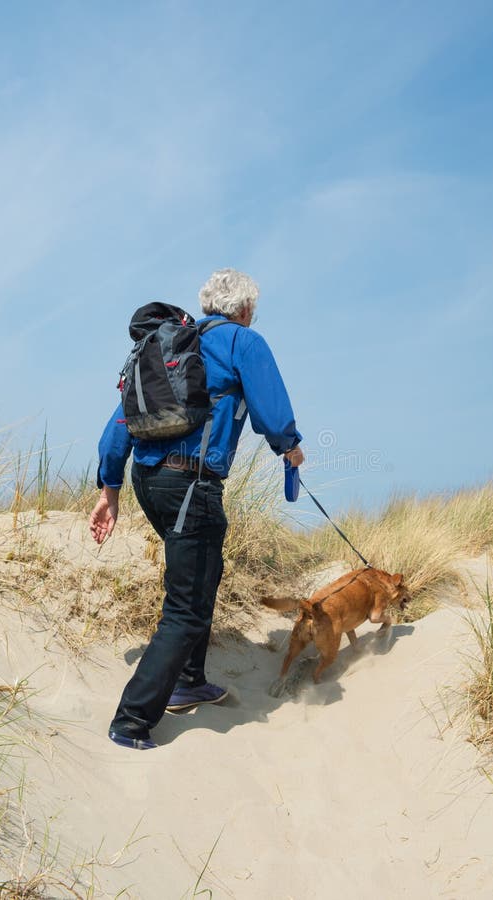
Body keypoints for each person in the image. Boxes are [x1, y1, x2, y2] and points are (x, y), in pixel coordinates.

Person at [89, 269, 304, 749]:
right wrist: (290, 447)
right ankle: (132, 720)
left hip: (148, 481)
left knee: (204, 571)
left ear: (208, 304)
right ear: (245, 309)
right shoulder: (243, 342)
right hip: (192, 485)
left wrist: (111, 488)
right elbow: (272, 413)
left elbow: (120, 422)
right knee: (185, 606)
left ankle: (190, 679)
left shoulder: (167, 345)